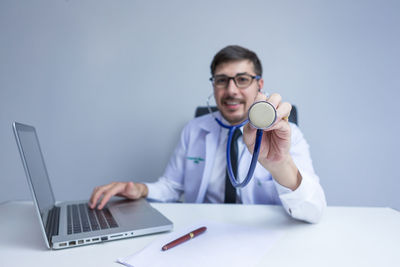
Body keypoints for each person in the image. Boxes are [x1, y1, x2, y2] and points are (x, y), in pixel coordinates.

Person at [89, 45, 326, 223]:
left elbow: (313, 210)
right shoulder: (195, 129)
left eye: (242, 80)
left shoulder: (288, 135)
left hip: (262, 239)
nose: (231, 90)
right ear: (213, 85)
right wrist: (140, 190)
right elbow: (172, 187)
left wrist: (280, 164)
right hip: (201, 233)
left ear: (259, 85)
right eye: (222, 80)